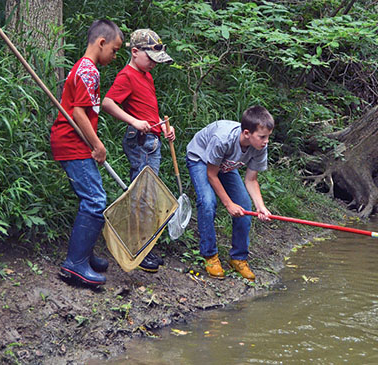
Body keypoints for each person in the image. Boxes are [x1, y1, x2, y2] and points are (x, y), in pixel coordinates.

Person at [50, 19, 124, 286]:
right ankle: (74, 265)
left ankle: (84, 255)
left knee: (94, 197)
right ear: (101, 43)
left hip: (74, 141)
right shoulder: (88, 70)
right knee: (94, 201)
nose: (115, 56)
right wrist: (98, 145)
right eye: (115, 50)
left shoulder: (85, 68)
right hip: (71, 142)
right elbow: (79, 113)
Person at [102, 29, 175, 273]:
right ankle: (138, 249)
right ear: (135, 52)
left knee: (149, 198)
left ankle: (146, 246)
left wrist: (164, 126)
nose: (154, 64)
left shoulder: (146, 76)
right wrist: (133, 121)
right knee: (142, 197)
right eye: (151, 59)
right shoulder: (127, 76)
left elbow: (149, 110)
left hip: (153, 140)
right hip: (141, 142)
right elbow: (108, 103)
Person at [186, 106, 274, 281]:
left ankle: (238, 258)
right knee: (208, 202)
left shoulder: (260, 147)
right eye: (262, 137)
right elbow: (211, 174)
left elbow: (251, 180)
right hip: (201, 159)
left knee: (245, 207)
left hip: (226, 164)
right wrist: (228, 204)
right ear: (247, 133)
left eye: (268, 137)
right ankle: (210, 256)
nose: (266, 141)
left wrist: (261, 207)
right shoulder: (223, 139)